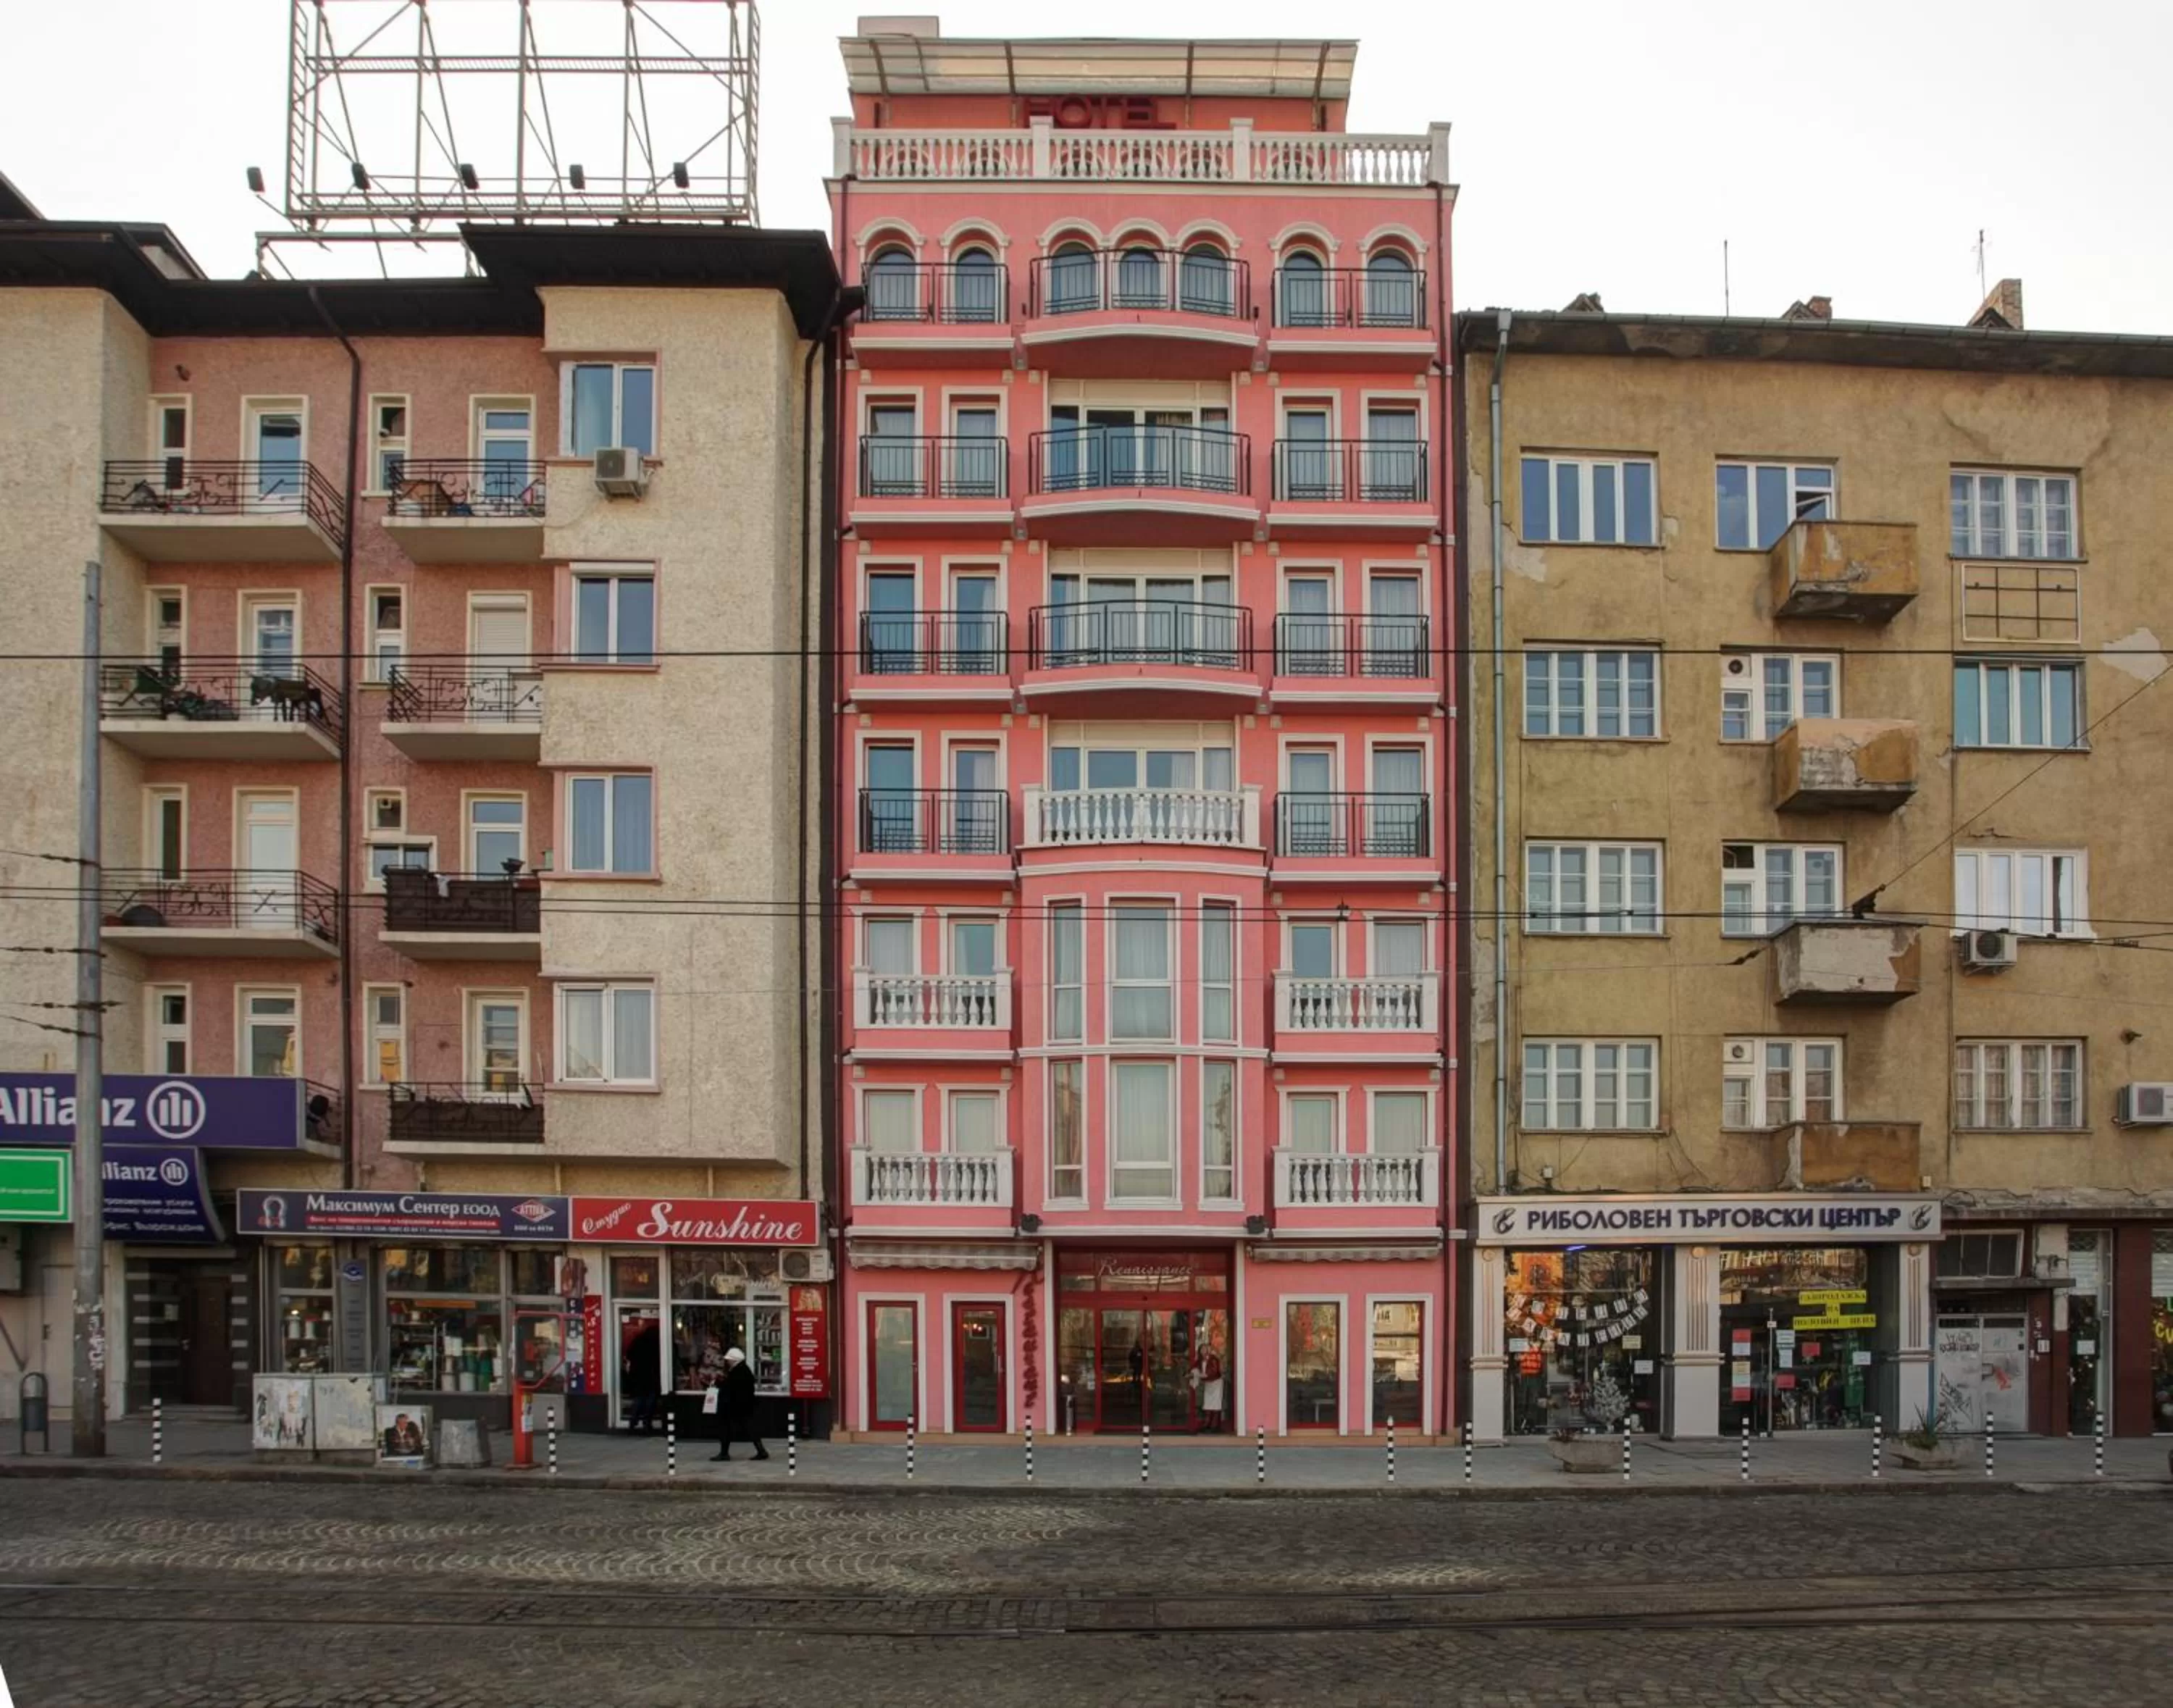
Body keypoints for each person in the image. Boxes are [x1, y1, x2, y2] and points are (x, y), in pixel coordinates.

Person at [711, 1346, 769, 1462]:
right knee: (750, 1428)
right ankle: (761, 1451)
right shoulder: (743, 1370)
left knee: (726, 1428)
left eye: (729, 1359)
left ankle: (724, 1453)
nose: (727, 1361)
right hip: (743, 1406)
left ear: (734, 1360)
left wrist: (720, 1383)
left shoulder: (738, 1372)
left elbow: (732, 1388)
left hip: (736, 1406)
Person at [621, 1323, 663, 1434]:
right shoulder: (657, 1343)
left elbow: (629, 1355)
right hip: (652, 1375)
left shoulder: (638, 1341)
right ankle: (647, 1422)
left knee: (639, 1399)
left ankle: (633, 1421)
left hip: (639, 1375)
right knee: (651, 1398)